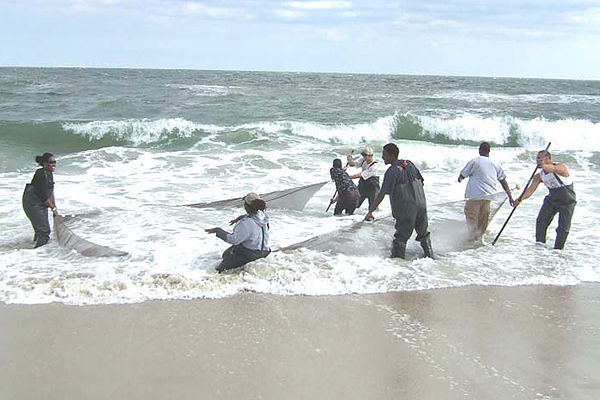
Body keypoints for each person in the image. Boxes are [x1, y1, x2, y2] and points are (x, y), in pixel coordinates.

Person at [365, 143, 434, 259]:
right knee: (424, 234)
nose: (382, 158)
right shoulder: (410, 164)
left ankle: (398, 265)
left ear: (392, 156)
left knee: (400, 238)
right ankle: (431, 257)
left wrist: (370, 211)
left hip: (407, 207)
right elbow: (421, 182)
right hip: (422, 205)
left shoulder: (392, 171)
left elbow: (382, 193)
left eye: (385, 155)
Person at [513, 150, 576, 250]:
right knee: (541, 221)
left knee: (563, 229)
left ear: (547, 159)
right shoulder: (539, 176)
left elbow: (553, 168)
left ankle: (558, 250)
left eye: (539, 159)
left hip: (567, 201)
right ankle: (540, 247)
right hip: (552, 199)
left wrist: (543, 165)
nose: (537, 161)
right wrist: (520, 199)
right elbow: (530, 190)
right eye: (536, 159)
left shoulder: (561, 167)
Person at [458, 142, 514, 241]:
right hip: (489, 196)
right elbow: (503, 180)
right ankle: (479, 240)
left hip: (475, 196)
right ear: (489, 151)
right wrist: (510, 196)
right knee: (483, 218)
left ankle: (472, 240)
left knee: (471, 216)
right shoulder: (495, 164)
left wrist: (460, 178)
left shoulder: (475, 161)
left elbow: (463, 175)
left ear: (480, 150)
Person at [205, 192, 271, 272]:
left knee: (218, 270)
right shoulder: (264, 217)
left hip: (250, 254)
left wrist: (218, 231)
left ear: (246, 206)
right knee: (226, 254)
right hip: (265, 251)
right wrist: (240, 218)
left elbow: (234, 240)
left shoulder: (246, 223)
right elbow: (253, 218)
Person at [22, 153, 59, 248]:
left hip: (41, 205)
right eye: (51, 162)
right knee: (44, 232)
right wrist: (52, 208)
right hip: (33, 204)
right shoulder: (40, 174)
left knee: (40, 231)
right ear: (44, 163)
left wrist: (55, 208)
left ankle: (35, 249)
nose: (54, 165)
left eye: (55, 162)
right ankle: (37, 253)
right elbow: (43, 195)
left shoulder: (49, 174)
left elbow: (51, 193)